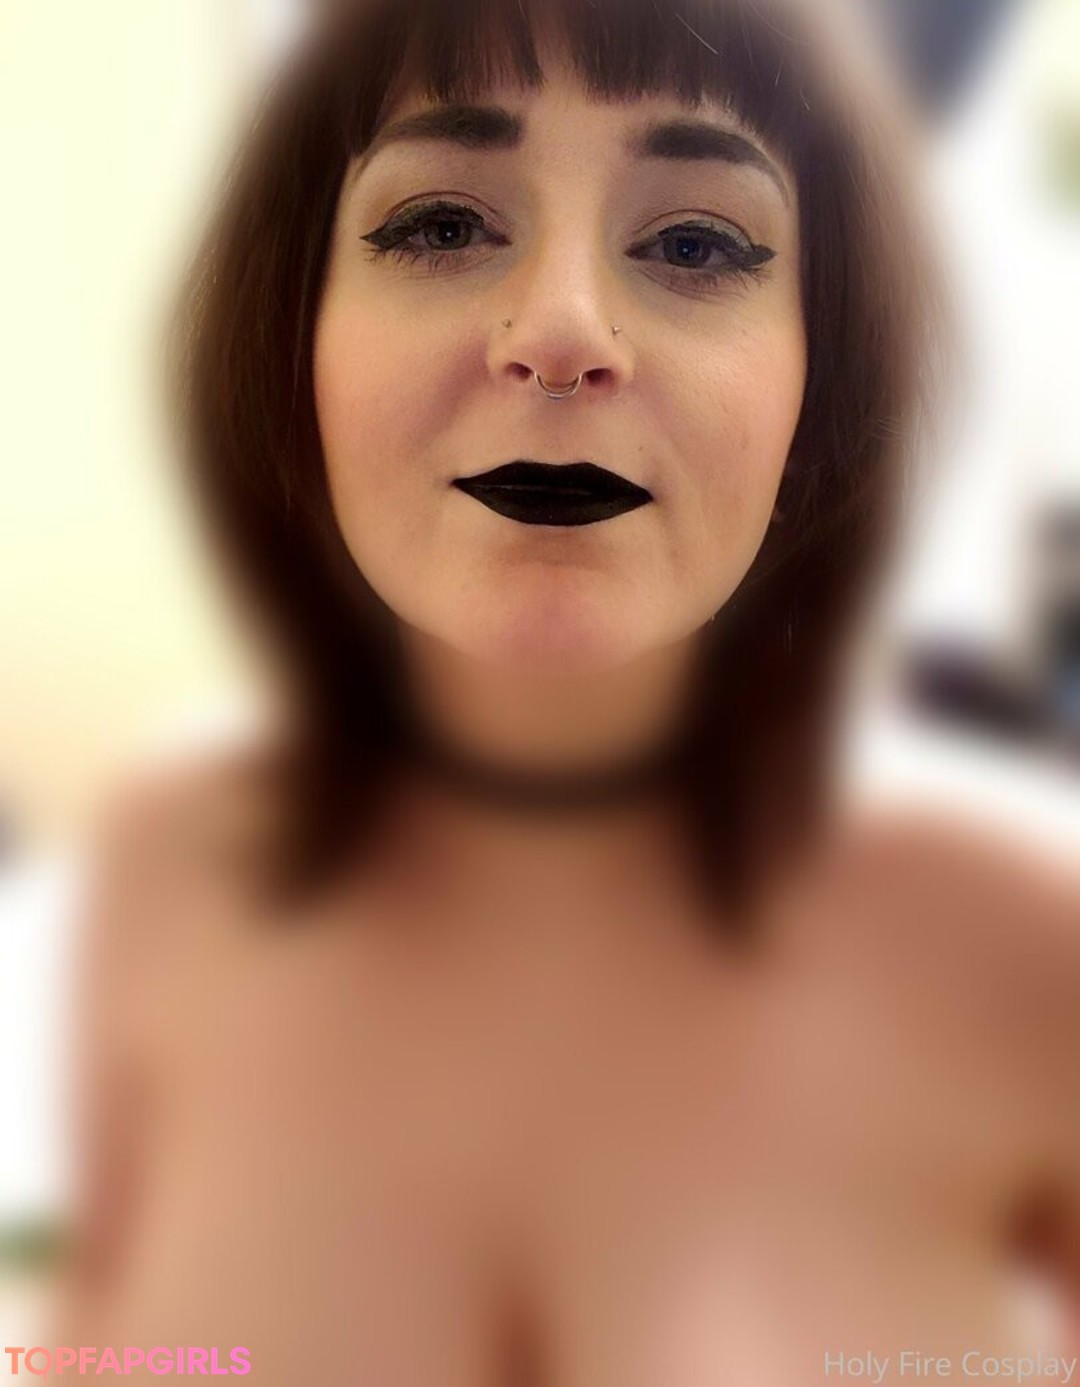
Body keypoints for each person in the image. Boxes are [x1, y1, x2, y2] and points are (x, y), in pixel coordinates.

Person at [52, 0, 1079, 1381]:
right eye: (441, 224)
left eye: (695, 244)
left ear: (821, 375)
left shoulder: (1024, 950)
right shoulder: (167, 874)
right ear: (295, 336)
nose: (561, 330)